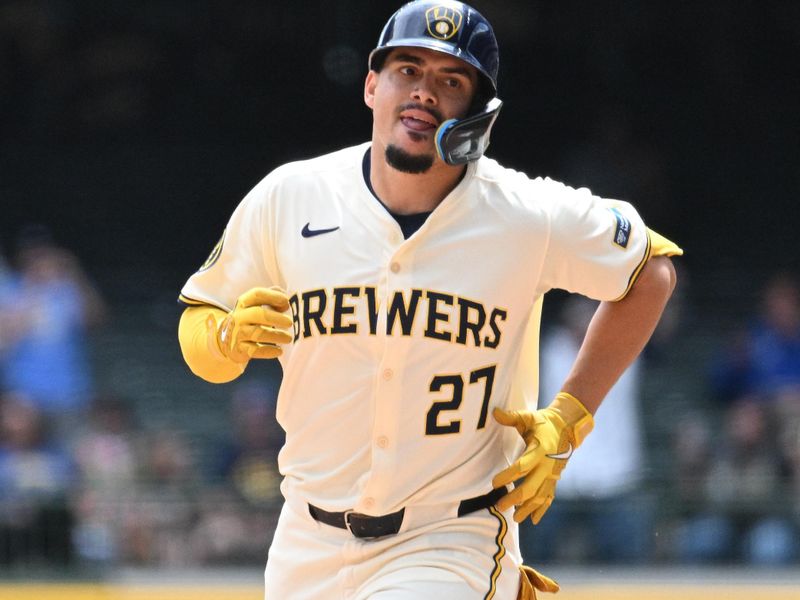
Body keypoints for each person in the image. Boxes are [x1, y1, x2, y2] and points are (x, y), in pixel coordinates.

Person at [177, 2, 681, 598]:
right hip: (304, 541)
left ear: (478, 115)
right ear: (371, 86)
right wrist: (225, 338)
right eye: (407, 71)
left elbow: (650, 271)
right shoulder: (291, 196)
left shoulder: (525, 214)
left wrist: (570, 415)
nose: (423, 92)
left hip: (447, 537)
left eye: (450, 80)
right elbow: (199, 320)